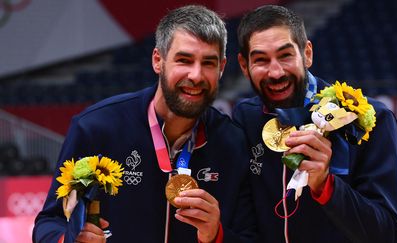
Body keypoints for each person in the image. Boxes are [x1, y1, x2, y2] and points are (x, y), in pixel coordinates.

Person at [33, 5, 256, 243]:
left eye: (208, 63)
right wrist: (66, 240)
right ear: (158, 60)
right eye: (184, 60)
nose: (196, 75)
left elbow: (249, 237)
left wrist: (216, 236)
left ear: (221, 68)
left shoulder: (232, 143)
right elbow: (49, 222)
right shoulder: (97, 128)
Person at [233, 5, 397, 243]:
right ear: (244, 66)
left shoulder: (369, 119)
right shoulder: (246, 118)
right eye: (261, 60)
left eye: (285, 55)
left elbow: (391, 236)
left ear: (307, 54)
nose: (275, 72)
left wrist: (327, 186)